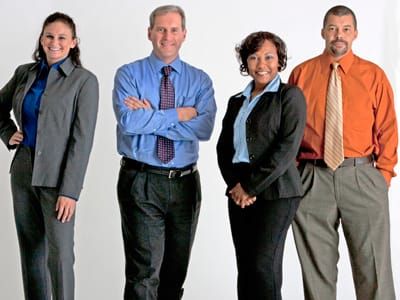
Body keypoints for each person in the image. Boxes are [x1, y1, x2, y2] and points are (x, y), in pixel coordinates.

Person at [288, 5, 397, 300]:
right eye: (333, 28)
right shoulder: (302, 73)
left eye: (346, 29)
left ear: (355, 34)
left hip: (361, 175)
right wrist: (298, 174)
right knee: (317, 271)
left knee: (373, 268)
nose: (339, 35)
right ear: (323, 32)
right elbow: (290, 129)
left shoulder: (373, 75)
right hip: (313, 178)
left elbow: (388, 128)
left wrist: (383, 175)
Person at [112, 5, 216, 300]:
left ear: (184, 34)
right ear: (149, 33)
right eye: (160, 29)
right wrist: (181, 113)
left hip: (185, 185)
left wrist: (154, 116)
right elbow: (130, 122)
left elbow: (204, 128)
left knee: (175, 273)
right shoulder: (128, 75)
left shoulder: (200, 80)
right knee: (144, 274)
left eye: (173, 30)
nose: (166, 36)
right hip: (141, 181)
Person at [0, 12, 99, 300]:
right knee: (30, 251)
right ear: (42, 39)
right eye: (49, 36)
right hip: (23, 171)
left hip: (58, 180)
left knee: (60, 256)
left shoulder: (84, 82)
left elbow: (82, 141)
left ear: (73, 43)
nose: (54, 42)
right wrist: (8, 133)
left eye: (61, 37)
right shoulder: (24, 73)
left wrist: (70, 191)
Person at [216, 31, 306, 300]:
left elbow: (286, 148)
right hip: (238, 191)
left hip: (277, 191)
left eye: (268, 57)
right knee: (245, 267)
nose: (261, 63)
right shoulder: (237, 101)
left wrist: (250, 186)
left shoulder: (289, 96)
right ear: (246, 62)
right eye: (253, 57)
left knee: (263, 266)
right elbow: (224, 148)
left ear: (279, 61)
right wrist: (236, 186)